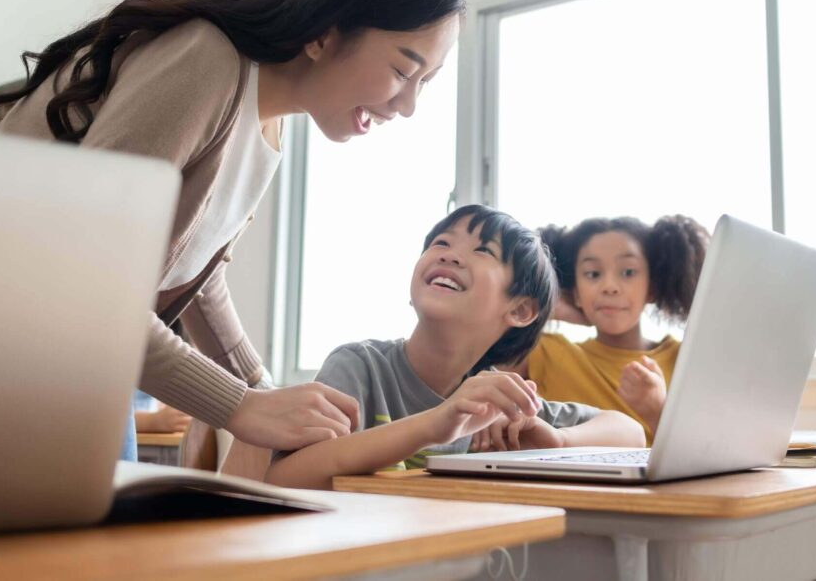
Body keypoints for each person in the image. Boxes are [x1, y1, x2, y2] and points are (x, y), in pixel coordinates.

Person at [0, 0, 464, 459]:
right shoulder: (208, 60)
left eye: (426, 82)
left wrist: (263, 390)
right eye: (403, 70)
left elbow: (199, 281)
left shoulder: (269, 125)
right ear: (325, 32)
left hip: (73, 357)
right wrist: (240, 405)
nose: (408, 105)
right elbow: (87, 274)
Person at [265, 205, 646, 490]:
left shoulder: (494, 398)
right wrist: (435, 424)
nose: (448, 253)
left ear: (520, 309)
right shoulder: (360, 367)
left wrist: (559, 439)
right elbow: (284, 478)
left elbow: (630, 432)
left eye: (483, 251)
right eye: (441, 242)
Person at [512, 215, 709, 443]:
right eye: (593, 274)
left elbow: (708, 451)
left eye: (628, 272)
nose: (610, 287)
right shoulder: (547, 353)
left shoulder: (685, 360)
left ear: (652, 287)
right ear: (575, 291)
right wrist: (548, 306)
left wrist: (658, 412)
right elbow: (479, 368)